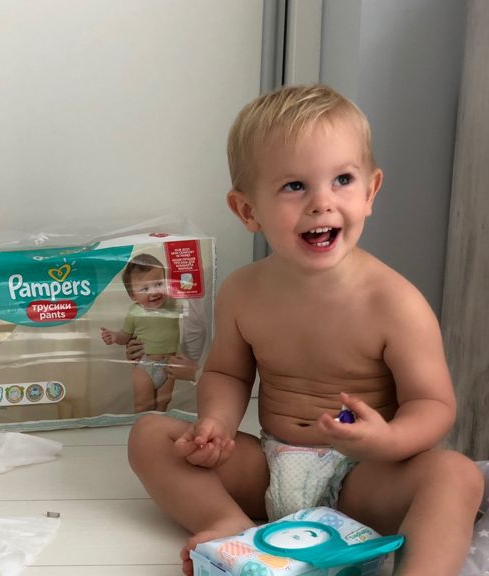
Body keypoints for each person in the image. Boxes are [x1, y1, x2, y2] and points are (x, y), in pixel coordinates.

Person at [127, 84, 483, 576]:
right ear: (248, 210)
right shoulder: (243, 292)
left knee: (457, 475)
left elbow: (433, 404)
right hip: (269, 466)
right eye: (295, 186)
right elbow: (228, 374)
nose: (322, 202)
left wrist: (388, 440)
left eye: (342, 179)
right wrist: (217, 426)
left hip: (363, 477)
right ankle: (230, 527)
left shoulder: (395, 303)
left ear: (370, 191)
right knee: (149, 435)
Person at [100, 253, 183, 412]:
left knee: (163, 402)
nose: (154, 292)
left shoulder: (172, 303)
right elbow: (125, 336)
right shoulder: (134, 312)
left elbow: (189, 305)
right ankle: (141, 424)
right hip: (145, 366)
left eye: (158, 284)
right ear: (133, 295)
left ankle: (158, 425)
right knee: (143, 405)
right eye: (145, 289)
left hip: (168, 364)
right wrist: (115, 336)